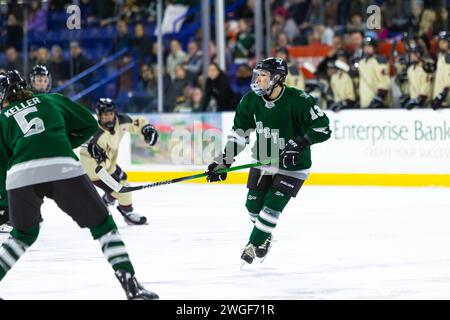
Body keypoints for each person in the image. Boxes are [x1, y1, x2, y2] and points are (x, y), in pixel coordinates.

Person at [0, 70, 158, 299]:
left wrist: (3, 201)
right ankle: (131, 285)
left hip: (21, 175)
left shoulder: (2, 119)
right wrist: (60, 141)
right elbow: (88, 125)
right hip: (62, 166)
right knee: (102, 224)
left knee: (23, 234)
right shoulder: (52, 99)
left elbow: (3, 165)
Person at [205, 58, 331, 265]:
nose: (258, 79)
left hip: (294, 165)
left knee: (271, 207)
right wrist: (224, 160)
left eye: (263, 75)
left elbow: (323, 128)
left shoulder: (299, 100)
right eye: (258, 75)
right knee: (252, 207)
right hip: (264, 159)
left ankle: (252, 245)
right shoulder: (250, 101)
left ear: (278, 78)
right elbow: (239, 134)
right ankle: (265, 236)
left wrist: (300, 143)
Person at [79, 98, 158, 225]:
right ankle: (126, 212)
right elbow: (91, 157)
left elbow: (138, 123)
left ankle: (110, 200)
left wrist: (147, 129)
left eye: (111, 114)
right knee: (121, 189)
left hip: (109, 164)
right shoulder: (95, 134)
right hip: (93, 169)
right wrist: (116, 189)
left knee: (122, 180)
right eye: (105, 115)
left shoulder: (122, 120)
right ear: (99, 115)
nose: (109, 118)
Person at [357, 36, 391, 109]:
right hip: (364, 103)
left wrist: (379, 97)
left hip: (378, 103)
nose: (367, 49)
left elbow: (385, 81)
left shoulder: (379, 60)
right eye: (365, 47)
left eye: (369, 46)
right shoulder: (361, 63)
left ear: (375, 48)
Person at [431, 31, 450, 110]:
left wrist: (443, 94)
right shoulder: (441, 56)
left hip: (446, 99)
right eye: (440, 41)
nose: (440, 44)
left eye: (444, 42)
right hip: (439, 99)